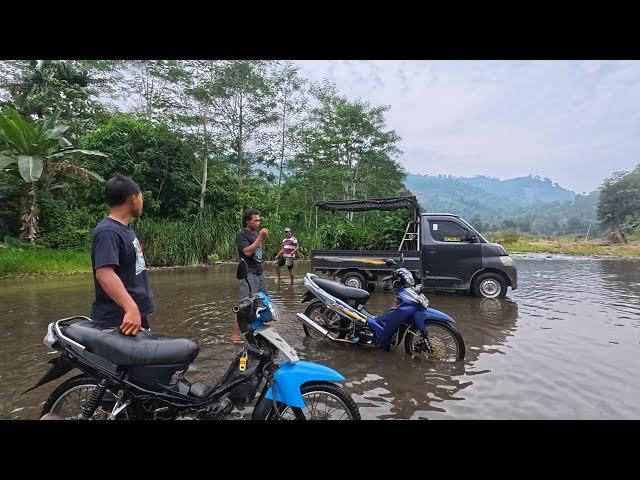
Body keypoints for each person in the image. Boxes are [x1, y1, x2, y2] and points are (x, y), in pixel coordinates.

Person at [90, 174, 154, 336]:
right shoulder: (108, 232)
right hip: (119, 320)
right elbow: (104, 273)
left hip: (132, 316)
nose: (142, 201)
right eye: (141, 197)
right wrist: (131, 308)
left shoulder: (123, 229)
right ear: (133, 199)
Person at [232, 209, 269, 343]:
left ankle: (257, 330)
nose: (258, 222)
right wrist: (260, 237)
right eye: (255, 220)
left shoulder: (254, 234)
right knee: (244, 305)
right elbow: (247, 252)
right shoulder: (241, 235)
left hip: (258, 272)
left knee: (262, 301)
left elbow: (257, 254)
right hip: (247, 273)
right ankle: (235, 335)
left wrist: (259, 237)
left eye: (259, 220)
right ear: (248, 221)